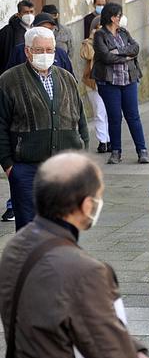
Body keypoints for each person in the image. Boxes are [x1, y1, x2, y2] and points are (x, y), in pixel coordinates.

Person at [0, 153, 149, 358]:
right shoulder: (85, 271)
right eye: (98, 195)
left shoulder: (15, 246)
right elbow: (112, 351)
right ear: (86, 205)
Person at [0, 26, 89, 229]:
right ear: (27, 51)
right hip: (27, 168)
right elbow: (1, 125)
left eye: (49, 50)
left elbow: (81, 119)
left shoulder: (66, 78)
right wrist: (9, 166)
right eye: (39, 50)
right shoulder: (9, 81)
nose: (45, 55)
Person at [92, 2, 149, 165]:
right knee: (114, 117)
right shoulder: (100, 35)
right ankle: (116, 152)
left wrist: (119, 52)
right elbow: (105, 57)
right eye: (119, 15)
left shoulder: (123, 32)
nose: (120, 18)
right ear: (112, 17)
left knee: (133, 116)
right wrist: (126, 57)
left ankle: (142, 150)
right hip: (109, 81)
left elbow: (135, 48)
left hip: (128, 79)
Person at [4, 12, 74, 74]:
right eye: (43, 28)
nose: (47, 32)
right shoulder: (19, 51)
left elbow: (71, 81)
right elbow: (9, 76)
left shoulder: (61, 54)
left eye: (50, 29)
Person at [80, 24, 111, 155]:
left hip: (109, 80)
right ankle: (102, 141)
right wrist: (93, 39)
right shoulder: (88, 43)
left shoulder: (112, 40)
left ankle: (110, 140)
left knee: (109, 112)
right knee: (98, 111)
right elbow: (86, 55)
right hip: (93, 82)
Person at [0, 0, 35, 71]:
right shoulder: (8, 31)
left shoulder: (37, 30)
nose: (29, 15)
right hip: (13, 70)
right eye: (25, 12)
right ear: (19, 14)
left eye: (31, 12)